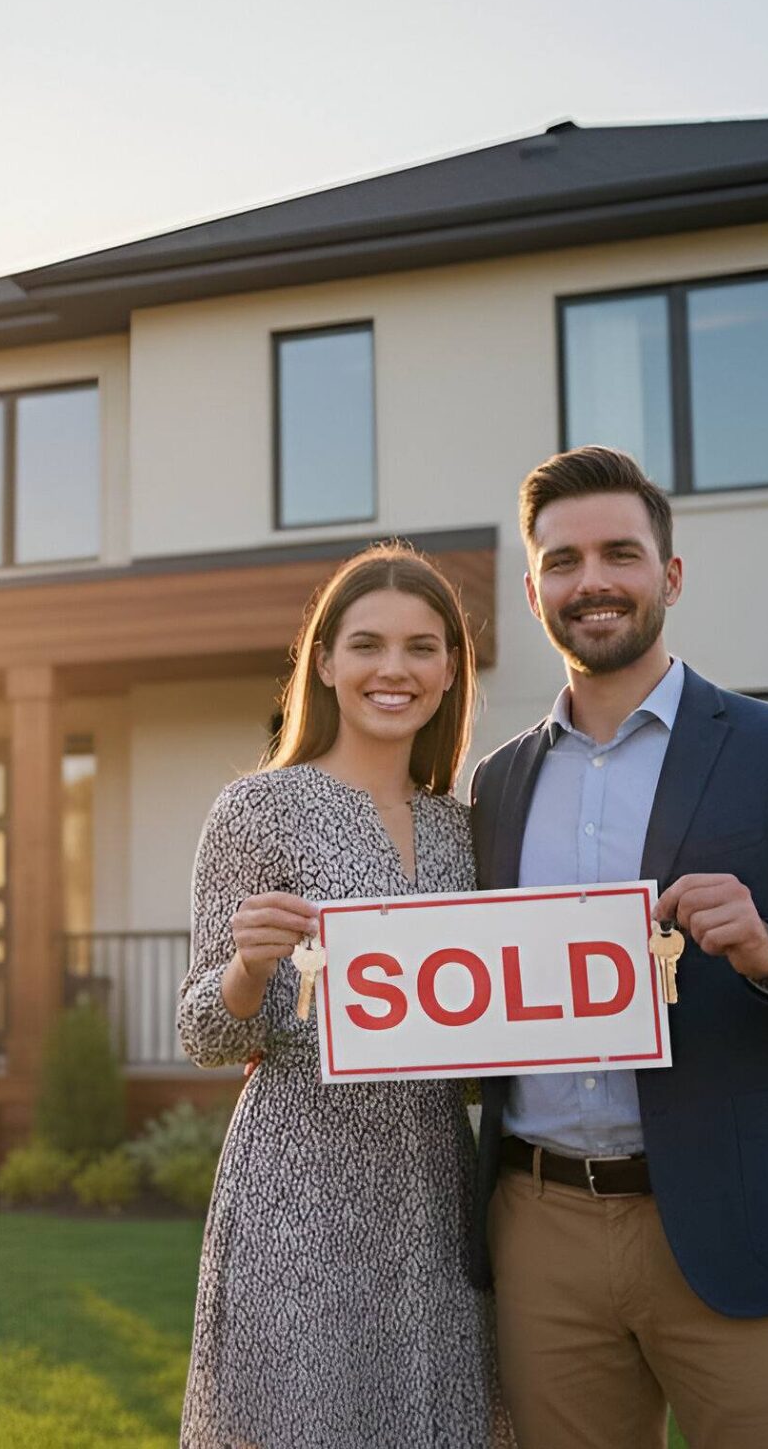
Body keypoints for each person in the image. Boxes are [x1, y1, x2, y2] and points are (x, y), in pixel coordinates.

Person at [466, 445, 768, 1449]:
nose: (591, 579)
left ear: (668, 575)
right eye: (562, 559)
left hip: (737, 1218)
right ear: (536, 584)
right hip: (536, 1222)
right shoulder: (494, 783)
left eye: (619, 553)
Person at [177, 543, 513, 1449]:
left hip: (435, 1187)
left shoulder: (467, 828)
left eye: (421, 646)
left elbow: (488, 1028)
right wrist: (248, 968)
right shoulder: (256, 809)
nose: (393, 669)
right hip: (299, 1185)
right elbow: (202, 1028)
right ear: (324, 662)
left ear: (451, 669)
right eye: (366, 644)